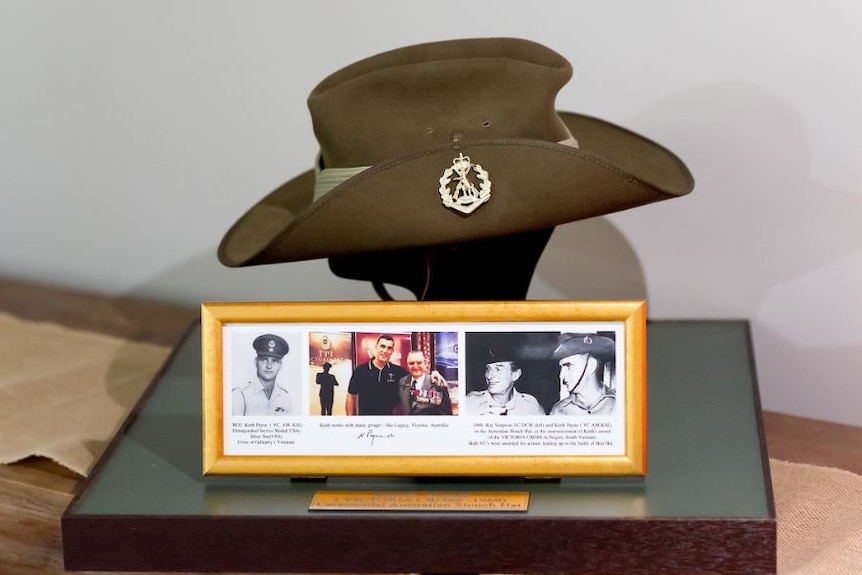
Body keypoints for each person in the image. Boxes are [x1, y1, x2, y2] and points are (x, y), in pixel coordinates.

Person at [465, 343, 544, 416]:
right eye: (488, 369)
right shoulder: (469, 403)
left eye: (498, 369)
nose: (489, 376)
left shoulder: (530, 407)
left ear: (515, 375)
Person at [550, 333, 616, 415]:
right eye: (561, 368)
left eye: (568, 366)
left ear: (591, 365)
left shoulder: (620, 405)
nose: (561, 376)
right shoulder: (559, 411)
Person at [232, 334, 294, 416]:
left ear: (280, 365)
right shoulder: (240, 394)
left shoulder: (285, 396)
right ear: (256, 362)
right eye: (264, 360)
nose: (269, 366)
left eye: (274, 361)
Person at [345, 334, 408, 416]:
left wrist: (430, 378)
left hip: (389, 423)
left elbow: (416, 381)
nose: (385, 351)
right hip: (366, 422)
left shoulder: (399, 372)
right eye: (382, 346)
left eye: (389, 348)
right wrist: (350, 420)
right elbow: (351, 396)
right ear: (376, 347)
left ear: (392, 351)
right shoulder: (360, 371)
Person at [396, 350, 452, 416]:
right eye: (411, 363)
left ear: (425, 363)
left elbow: (446, 414)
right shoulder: (402, 381)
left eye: (419, 363)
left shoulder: (437, 383)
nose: (415, 366)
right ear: (407, 364)